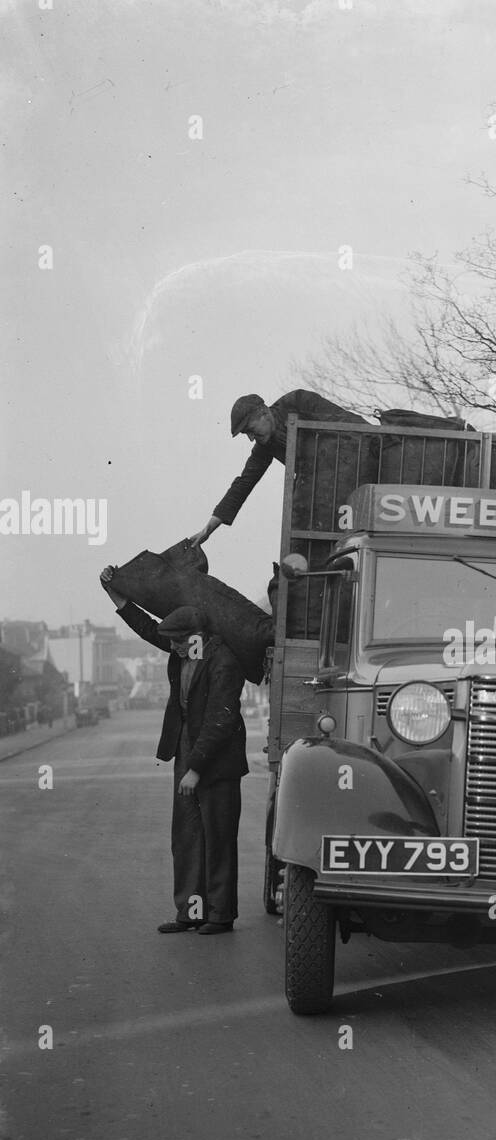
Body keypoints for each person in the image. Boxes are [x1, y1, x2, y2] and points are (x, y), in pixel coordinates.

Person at [100, 569, 248, 935]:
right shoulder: (183, 649)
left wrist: (195, 767)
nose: (175, 650)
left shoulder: (224, 662)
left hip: (216, 761)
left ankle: (219, 916)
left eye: (180, 644)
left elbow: (220, 720)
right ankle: (191, 912)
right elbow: (149, 628)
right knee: (187, 837)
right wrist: (115, 595)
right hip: (187, 753)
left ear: (196, 638)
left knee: (217, 837)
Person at [188, 388, 368, 545]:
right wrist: (209, 528)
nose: (251, 438)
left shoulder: (298, 401)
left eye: (250, 429)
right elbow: (243, 483)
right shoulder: (264, 446)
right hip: (330, 493)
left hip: (361, 468)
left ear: (264, 413)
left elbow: (351, 424)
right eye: (246, 434)